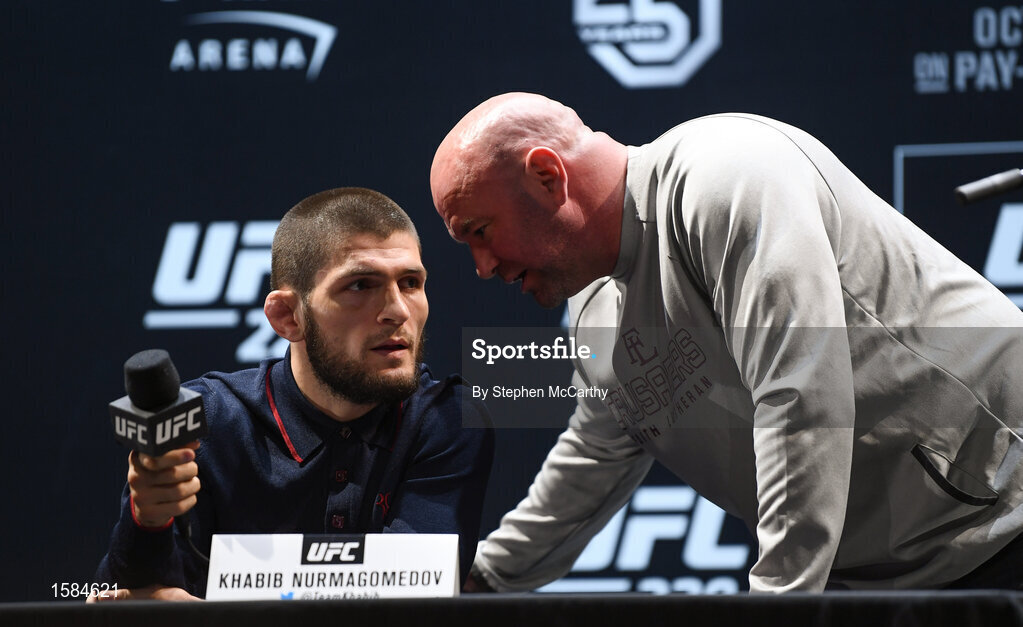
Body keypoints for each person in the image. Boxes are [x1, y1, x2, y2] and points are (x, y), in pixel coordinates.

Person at [429, 92, 1023, 592]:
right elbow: (596, 454)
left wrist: (780, 599)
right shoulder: (591, 306)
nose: (482, 267)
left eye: (480, 232)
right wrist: (480, 583)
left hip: (1004, 514)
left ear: (546, 175)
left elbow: (801, 391)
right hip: (883, 576)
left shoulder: (726, 173)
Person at [93, 187, 494, 600]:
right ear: (287, 317)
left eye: (411, 282)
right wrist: (147, 520)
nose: (398, 311)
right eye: (360, 285)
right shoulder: (206, 422)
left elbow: (409, 606)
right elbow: (127, 601)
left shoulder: (450, 419)